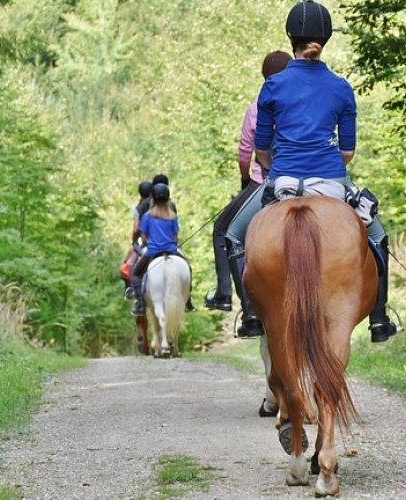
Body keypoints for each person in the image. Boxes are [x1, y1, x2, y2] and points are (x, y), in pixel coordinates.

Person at [225, 0, 399, 342]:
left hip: (283, 180)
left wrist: (277, 168)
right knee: (377, 236)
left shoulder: (273, 85)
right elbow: (347, 152)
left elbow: (261, 150)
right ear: (326, 38)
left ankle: (250, 315)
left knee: (233, 234)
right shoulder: (340, 87)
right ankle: (379, 319)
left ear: (291, 37)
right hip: (332, 181)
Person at [204, 50, 292, 339]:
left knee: (224, 231)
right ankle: (377, 313)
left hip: (266, 181)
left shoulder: (257, 108)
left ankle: (235, 302)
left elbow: (247, 152)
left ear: (265, 77)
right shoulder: (301, 104)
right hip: (311, 177)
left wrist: (246, 178)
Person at [130, 183, 193, 316]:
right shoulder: (172, 216)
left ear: (152, 197)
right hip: (172, 250)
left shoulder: (147, 216)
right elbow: (175, 238)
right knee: (188, 268)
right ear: (168, 198)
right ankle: (188, 300)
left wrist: (151, 243)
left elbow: (144, 237)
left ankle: (140, 304)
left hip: (152, 251)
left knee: (135, 274)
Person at [121, 180, 154, 300]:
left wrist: (134, 242)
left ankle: (130, 289)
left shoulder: (139, 209)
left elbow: (135, 229)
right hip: (162, 239)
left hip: (144, 239)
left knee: (128, 264)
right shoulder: (159, 206)